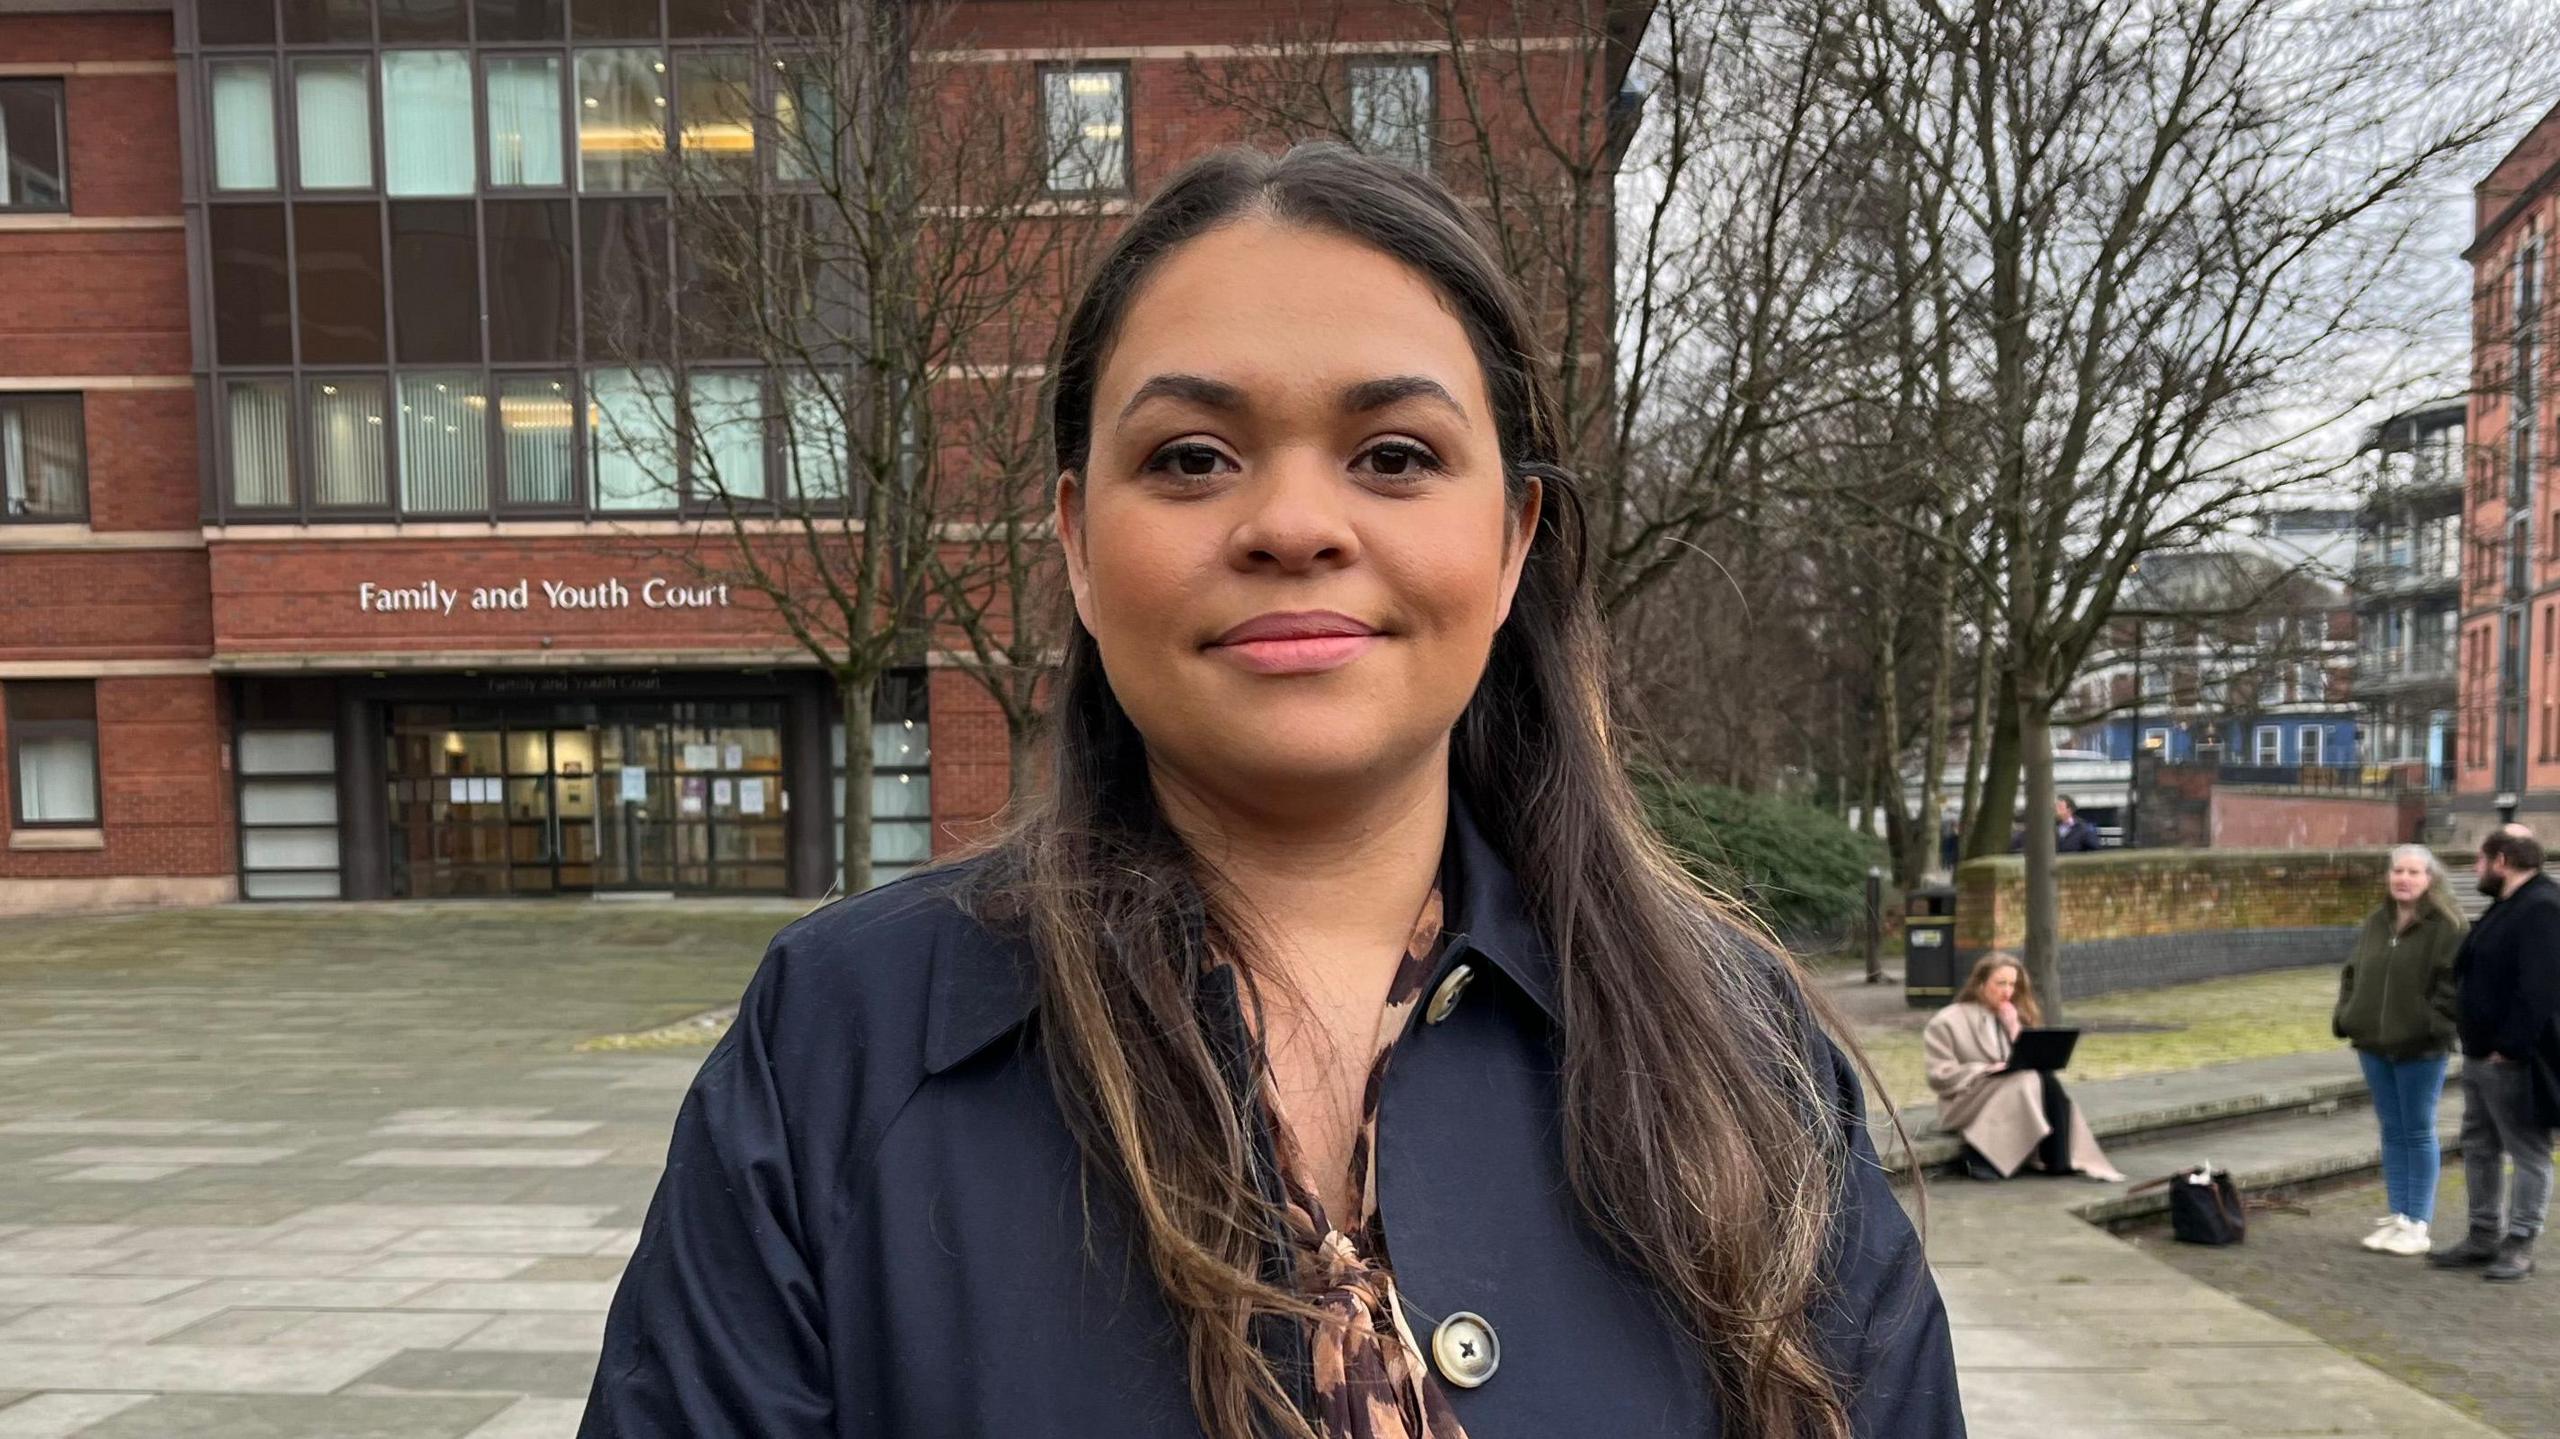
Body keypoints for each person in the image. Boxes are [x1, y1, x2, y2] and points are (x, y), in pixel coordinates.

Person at [578, 145, 1963, 1438]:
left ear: (1513, 538)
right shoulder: (838, 1044)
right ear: (1075, 537)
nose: (1295, 522)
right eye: (1191, 457)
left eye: (1395, 456)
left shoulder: (1743, 1058)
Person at [2430, 826, 2560, 1282]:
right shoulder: (2507, 906)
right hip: (2481, 1054)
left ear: (2502, 860)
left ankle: (2521, 1242)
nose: (2476, 869)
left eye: (2481, 861)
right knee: (2480, 1145)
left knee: (2529, 1152)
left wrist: (2512, 1047)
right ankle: (2484, 1234)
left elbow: (2540, 986)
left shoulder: (2543, 907)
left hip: (2514, 1060)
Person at [2333, 844, 2465, 1257]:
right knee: (2392, 1130)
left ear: (2430, 879)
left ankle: (2418, 1221)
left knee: (2418, 1130)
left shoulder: (2447, 926)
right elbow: (2353, 973)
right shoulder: (2377, 922)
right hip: (2373, 1043)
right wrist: (2348, 1014)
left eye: (2413, 872)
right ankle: (2398, 1214)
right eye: (2397, 871)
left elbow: (2453, 987)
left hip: (2421, 1049)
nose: (2403, 879)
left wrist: (2430, 1025)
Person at [1923, 953, 2125, 1182]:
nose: (2007, 991)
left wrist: (2014, 1030)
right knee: (2027, 1079)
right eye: (2000, 983)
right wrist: (1985, 1070)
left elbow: (2023, 1060)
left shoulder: (2013, 1016)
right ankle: (1985, 1155)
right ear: (1980, 984)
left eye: (2012, 984)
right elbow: (1938, 1076)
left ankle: (2058, 1155)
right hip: (1963, 1100)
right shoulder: (1947, 1021)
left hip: (2009, 1089)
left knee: (2042, 1076)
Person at [2011, 797, 2102, 854]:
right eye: (2055, 807)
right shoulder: (2047, 827)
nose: (2055, 810)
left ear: (2069, 810)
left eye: (2059, 807)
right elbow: (2021, 839)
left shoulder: (2083, 830)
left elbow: (2095, 852)